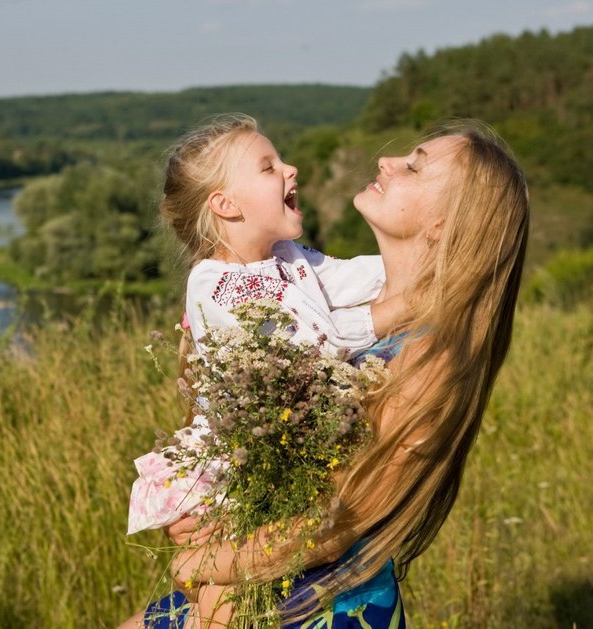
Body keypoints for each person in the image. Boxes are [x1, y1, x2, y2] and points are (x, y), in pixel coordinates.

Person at [139, 120, 529, 628]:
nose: (386, 162)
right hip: (258, 581)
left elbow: (340, 521)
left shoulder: (430, 351)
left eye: (414, 166)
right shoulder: (319, 289)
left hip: (319, 604)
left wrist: (200, 564)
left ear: (443, 222)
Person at [122, 115, 408, 628]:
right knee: (220, 597)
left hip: (273, 457)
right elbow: (311, 352)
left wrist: (429, 260)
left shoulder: (289, 257)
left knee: (246, 593)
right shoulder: (217, 285)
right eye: (268, 166)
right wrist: (397, 310)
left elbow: (351, 277)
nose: (290, 169)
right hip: (230, 470)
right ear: (226, 206)